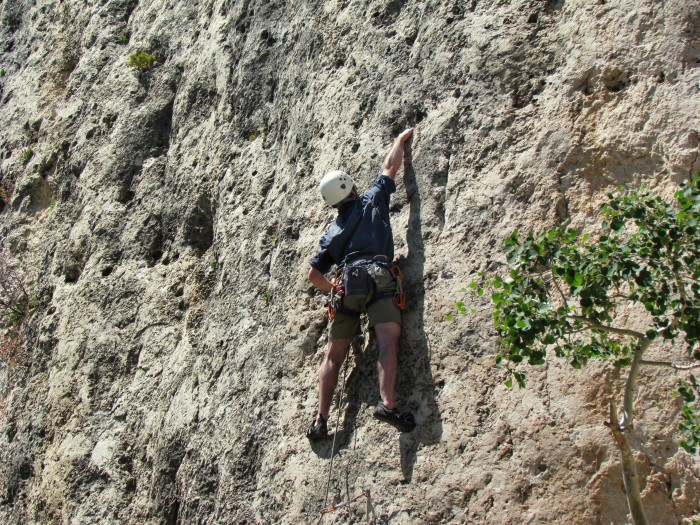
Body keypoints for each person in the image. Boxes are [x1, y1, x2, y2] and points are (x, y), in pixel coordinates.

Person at [306, 128, 416, 441]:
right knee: (386, 340)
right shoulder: (372, 200)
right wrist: (399, 141)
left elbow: (314, 275)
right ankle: (387, 404)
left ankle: (321, 420)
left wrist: (335, 290)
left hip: (346, 283)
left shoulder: (332, 232)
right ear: (351, 188)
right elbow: (389, 167)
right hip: (379, 276)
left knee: (333, 356)